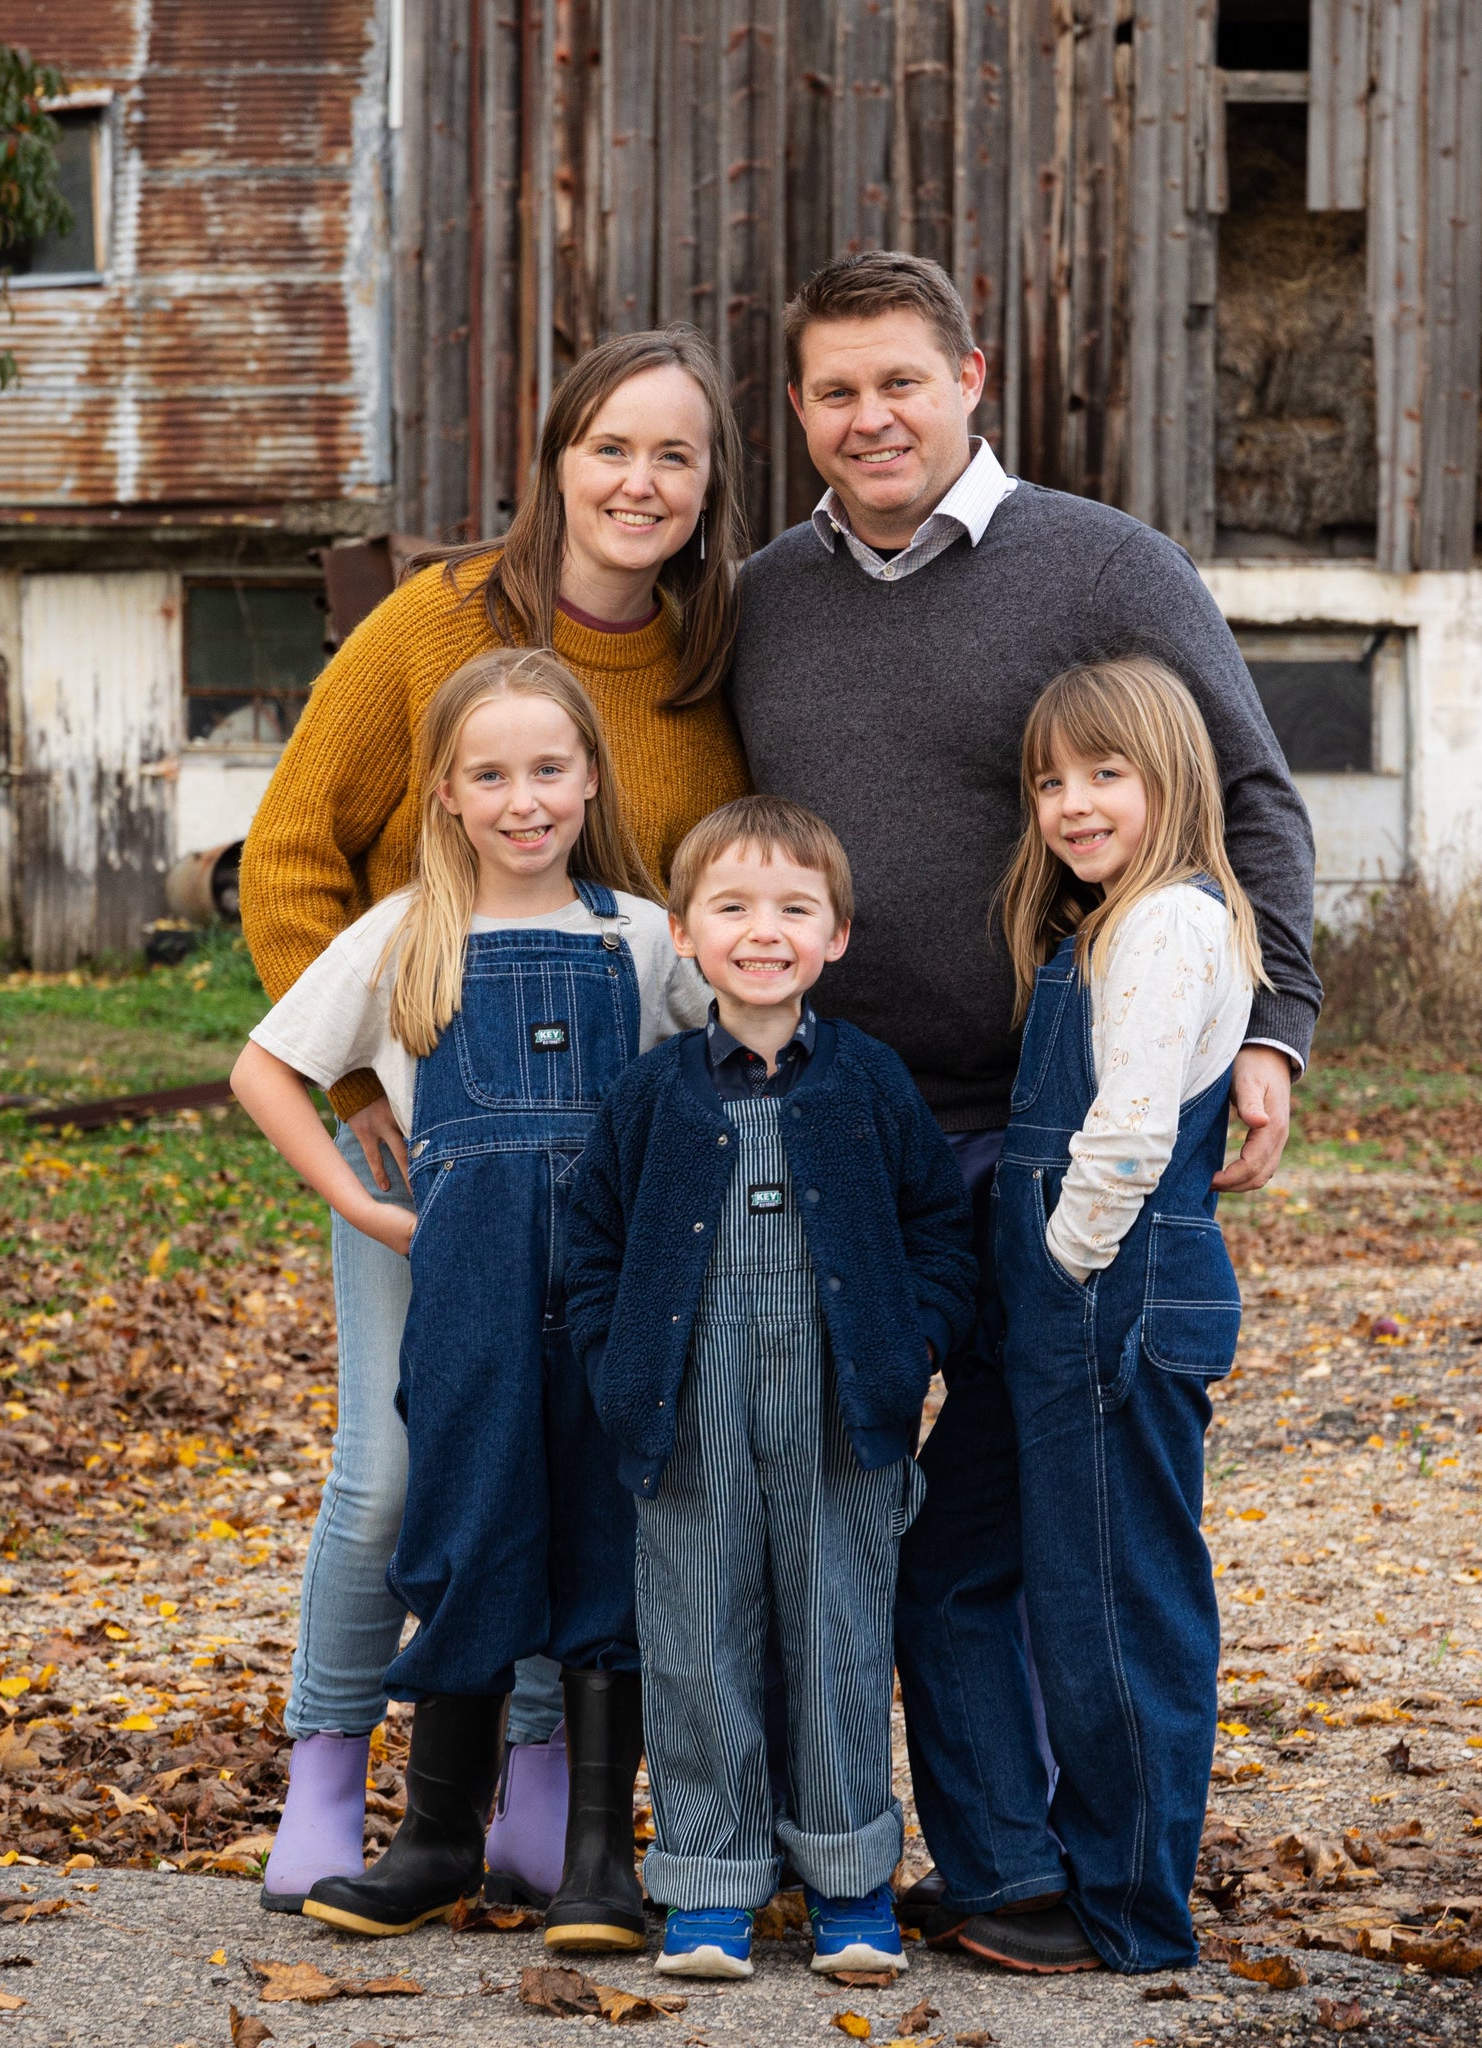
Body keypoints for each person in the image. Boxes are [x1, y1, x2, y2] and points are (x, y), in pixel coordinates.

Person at [727, 250, 1322, 1971]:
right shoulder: (767, 595)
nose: (868, 418)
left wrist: (1269, 1029)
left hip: (1055, 1125)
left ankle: (1097, 1872)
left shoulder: (1100, 565)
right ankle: (966, 1866)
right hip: (842, 1124)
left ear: (969, 376)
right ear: (800, 411)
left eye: (898, 380)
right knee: (860, 1504)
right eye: (834, 390)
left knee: (1065, 1519)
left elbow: (1250, 800)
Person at [240, 328, 753, 1918]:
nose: (640, 483)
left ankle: (555, 1811)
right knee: (407, 1472)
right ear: (556, 461)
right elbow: (291, 850)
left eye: (675, 455)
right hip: (429, 1147)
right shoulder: (435, 627)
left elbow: (709, 967)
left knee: (583, 1468)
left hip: (602, 1189)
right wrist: (359, 1094)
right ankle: (339, 1780)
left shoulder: (704, 663)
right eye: (611, 447)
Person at [564, 796, 977, 1981]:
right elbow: (592, 1249)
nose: (762, 930)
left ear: (834, 936)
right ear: (685, 934)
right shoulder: (650, 1095)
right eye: (731, 906)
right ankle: (708, 1888)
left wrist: (910, 1347)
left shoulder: (866, 1081)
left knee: (842, 1639)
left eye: (793, 907)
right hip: (684, 1416)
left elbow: (937, 1233)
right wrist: (615, 1361)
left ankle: (849, 1885)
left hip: (843, 1413)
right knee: (696, 1646)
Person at [991, 657, 1263, 1970]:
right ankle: (1078, 1870)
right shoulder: (1109, 923)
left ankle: (1132, 1909)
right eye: (1051, 780)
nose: (1073, 803)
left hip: (1116, 1287)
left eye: (1106, 774)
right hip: (1105, 1287)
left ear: (1173, 781)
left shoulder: (1164, 926)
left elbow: (1132, 1129)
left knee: (1114, 1604)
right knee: (1086, 1591)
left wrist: (1059, 1264)